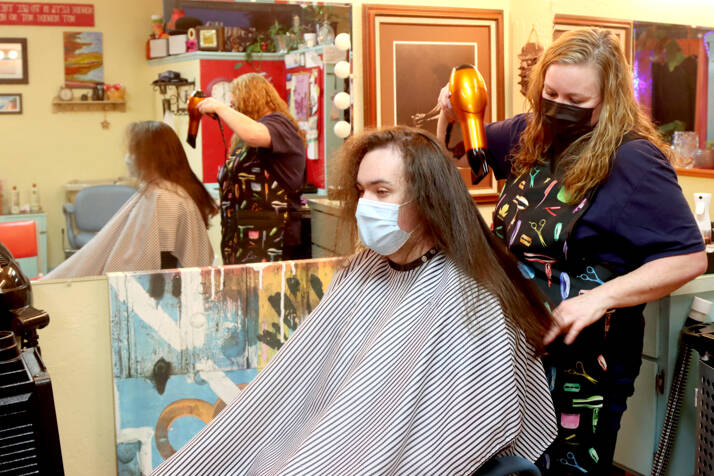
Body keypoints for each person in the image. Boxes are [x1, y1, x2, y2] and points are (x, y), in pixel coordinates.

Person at [151, 126, 558, 475]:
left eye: (383, 191)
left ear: (429, 199)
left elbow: (469, 427)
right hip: (326, 439)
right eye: (362, 190)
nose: (366, 205)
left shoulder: (468, 294)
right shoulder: (363, 270)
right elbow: (299, 377)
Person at [439, 28, 707, 474]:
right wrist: (451, 117)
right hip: (512, 351)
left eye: (577, 102)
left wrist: (600, 298)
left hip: (586, 367)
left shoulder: (634, 160)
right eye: (551, 93)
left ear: (610, 99)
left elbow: (687, 256)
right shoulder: (530, 132)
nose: (559, 108)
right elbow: (462, 156)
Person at [43, 121, 216, 279]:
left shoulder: (162, 198)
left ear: (150, 157)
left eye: (132, 152)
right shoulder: (165, 191)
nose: (128, 158)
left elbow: (141, 260)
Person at [197, 73, 306, 264]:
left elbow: (254, 135)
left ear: (251, 98)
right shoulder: (245, 139)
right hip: (240, 237)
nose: (232, 107)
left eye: (235, 103)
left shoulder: (279, 125)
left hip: (272, 236)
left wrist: (220, 108)